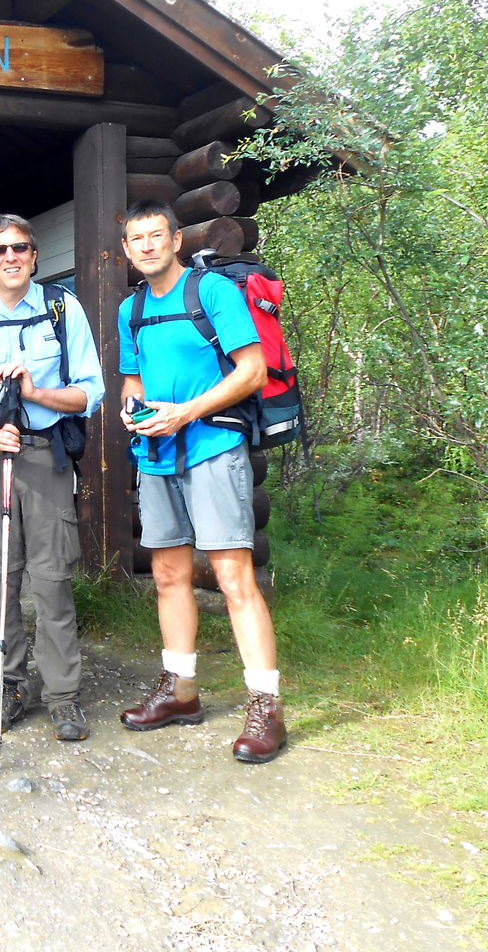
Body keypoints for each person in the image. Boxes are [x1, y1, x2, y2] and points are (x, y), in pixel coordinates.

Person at [116, 200, 286, 763]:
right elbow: (132, 383)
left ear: (176, 240)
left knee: (234, 575)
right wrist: (131, 410)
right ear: (126, 249)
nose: (146, 246)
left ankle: (266, 705)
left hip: (214, 445)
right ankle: (181, 691)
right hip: (157, 452)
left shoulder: (211, 293)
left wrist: (185, 413)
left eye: (156, 235)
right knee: (167, 573)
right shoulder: (130, 310)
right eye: (136, 239)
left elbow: (252, 370)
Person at [0, 214, 105, 741]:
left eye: (21, 248)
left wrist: (35, 394)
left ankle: (63, 696)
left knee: (53, 583)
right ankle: (6, 686)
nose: (11, 256)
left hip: (44, 457)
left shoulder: (62, 308)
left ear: (34, 256)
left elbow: (89, 391)